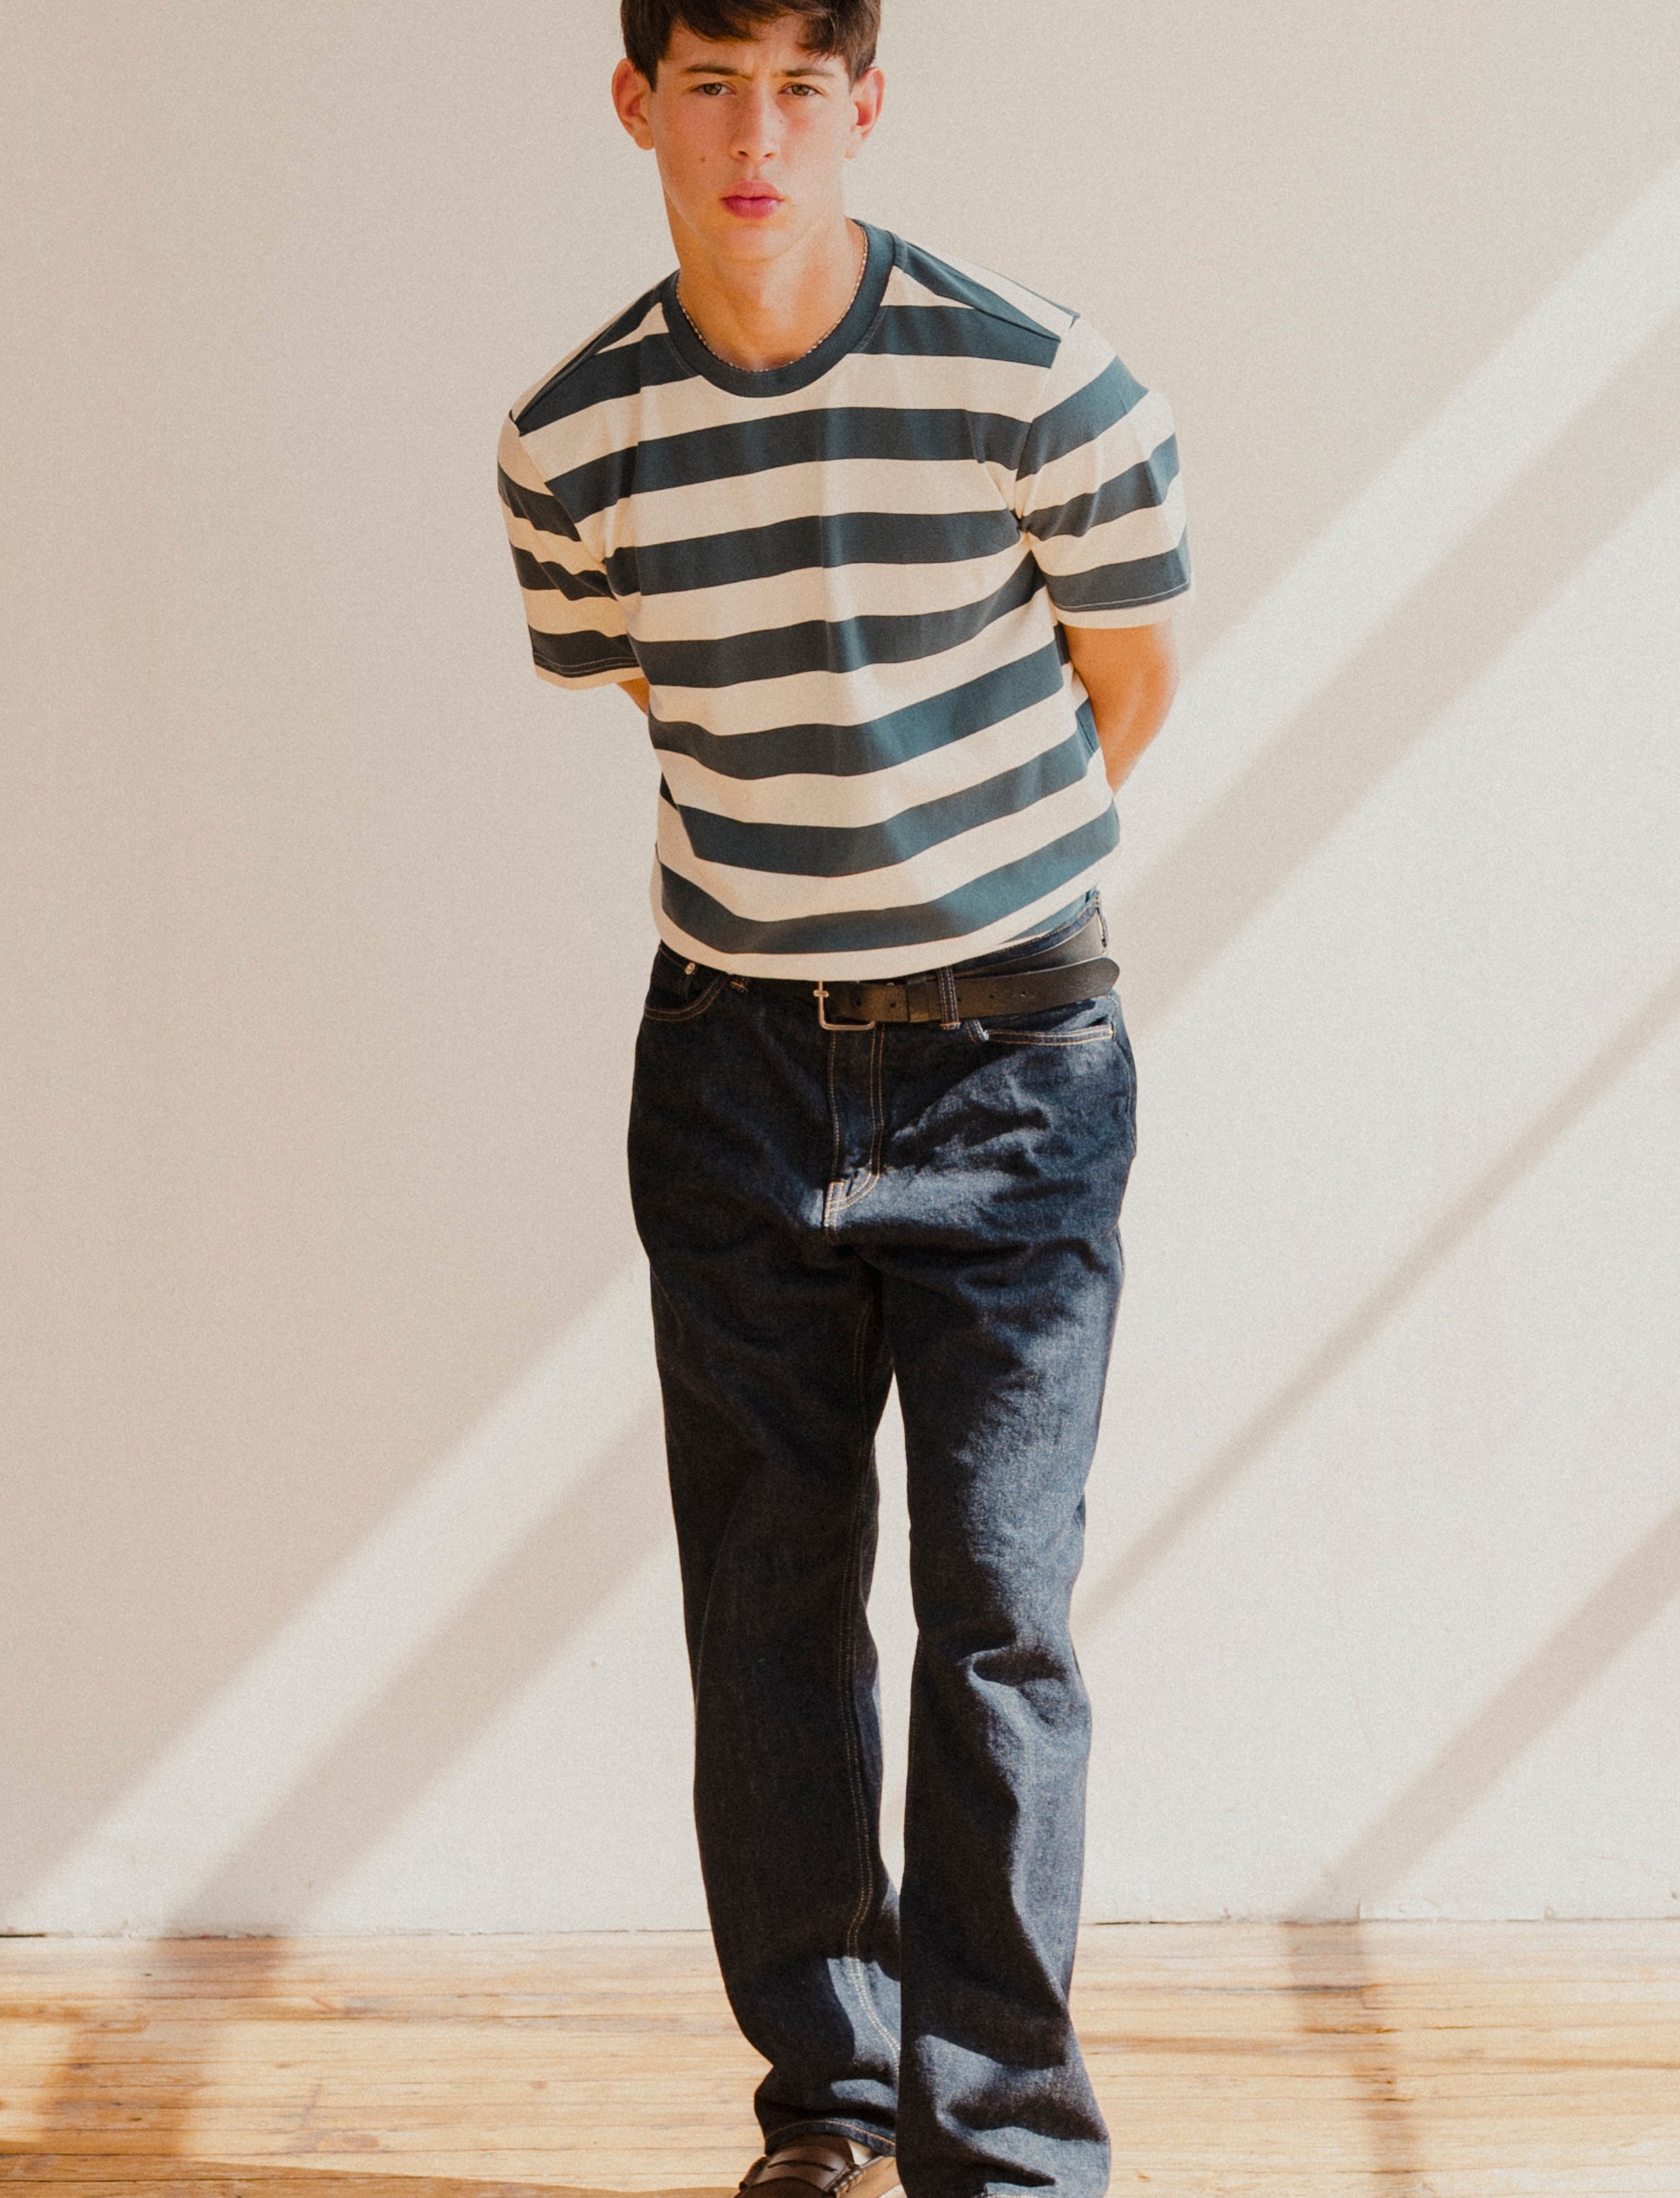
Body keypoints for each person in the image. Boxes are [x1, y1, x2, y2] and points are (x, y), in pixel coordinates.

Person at [497, 6, 1187, 2195]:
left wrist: (961, 903)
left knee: (997, 1616)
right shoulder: (570, 437)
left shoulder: (1037, 376)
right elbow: (636, 683)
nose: (756, 133)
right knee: (767, 1610)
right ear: (637, 103)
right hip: (732, 1068)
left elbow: (1131, 673)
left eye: (804, 84)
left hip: (1015, 1061)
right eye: (711, 81)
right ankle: (833, 2105)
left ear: (866, 105)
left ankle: (1007, 2143)